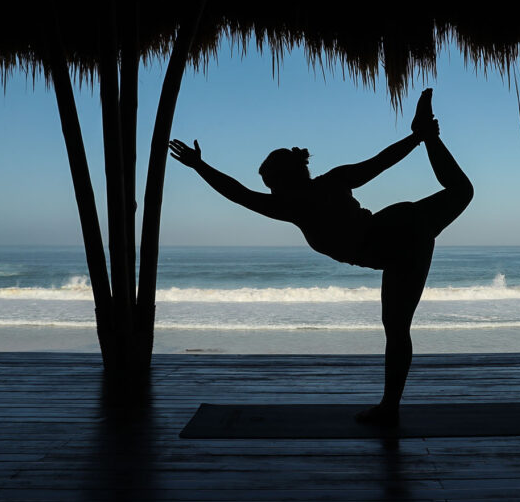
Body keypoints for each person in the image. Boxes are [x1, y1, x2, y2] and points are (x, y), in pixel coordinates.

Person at [169, 89, 473, 426]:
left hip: (395, 238)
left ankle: (389, 407)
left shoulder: (292, 205)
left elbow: (238, 194)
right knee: (461, 193)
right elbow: (382, 161)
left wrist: (199, 166)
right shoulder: (332, 182)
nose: (270, 191)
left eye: (271, 183)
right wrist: (416, 139)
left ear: (284, 181)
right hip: (399, 236)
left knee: (397, 329)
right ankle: (426, 135)